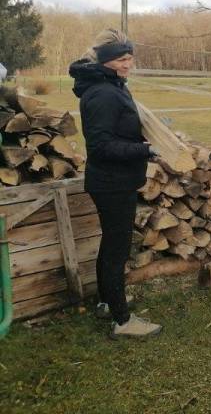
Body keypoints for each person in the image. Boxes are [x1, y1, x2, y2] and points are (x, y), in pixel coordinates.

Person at [69, 29, 162, 339]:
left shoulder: (110, 85)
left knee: (111, 244)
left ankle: (107, 301)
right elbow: (101, 147)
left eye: (130, 58)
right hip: (112, 183)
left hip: (114, 180)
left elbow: (118, 132)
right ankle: (122, 320)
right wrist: (145, 150)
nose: (128, 64)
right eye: (122, 59)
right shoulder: (103, 94)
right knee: (117, 250)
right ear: (106, 61)